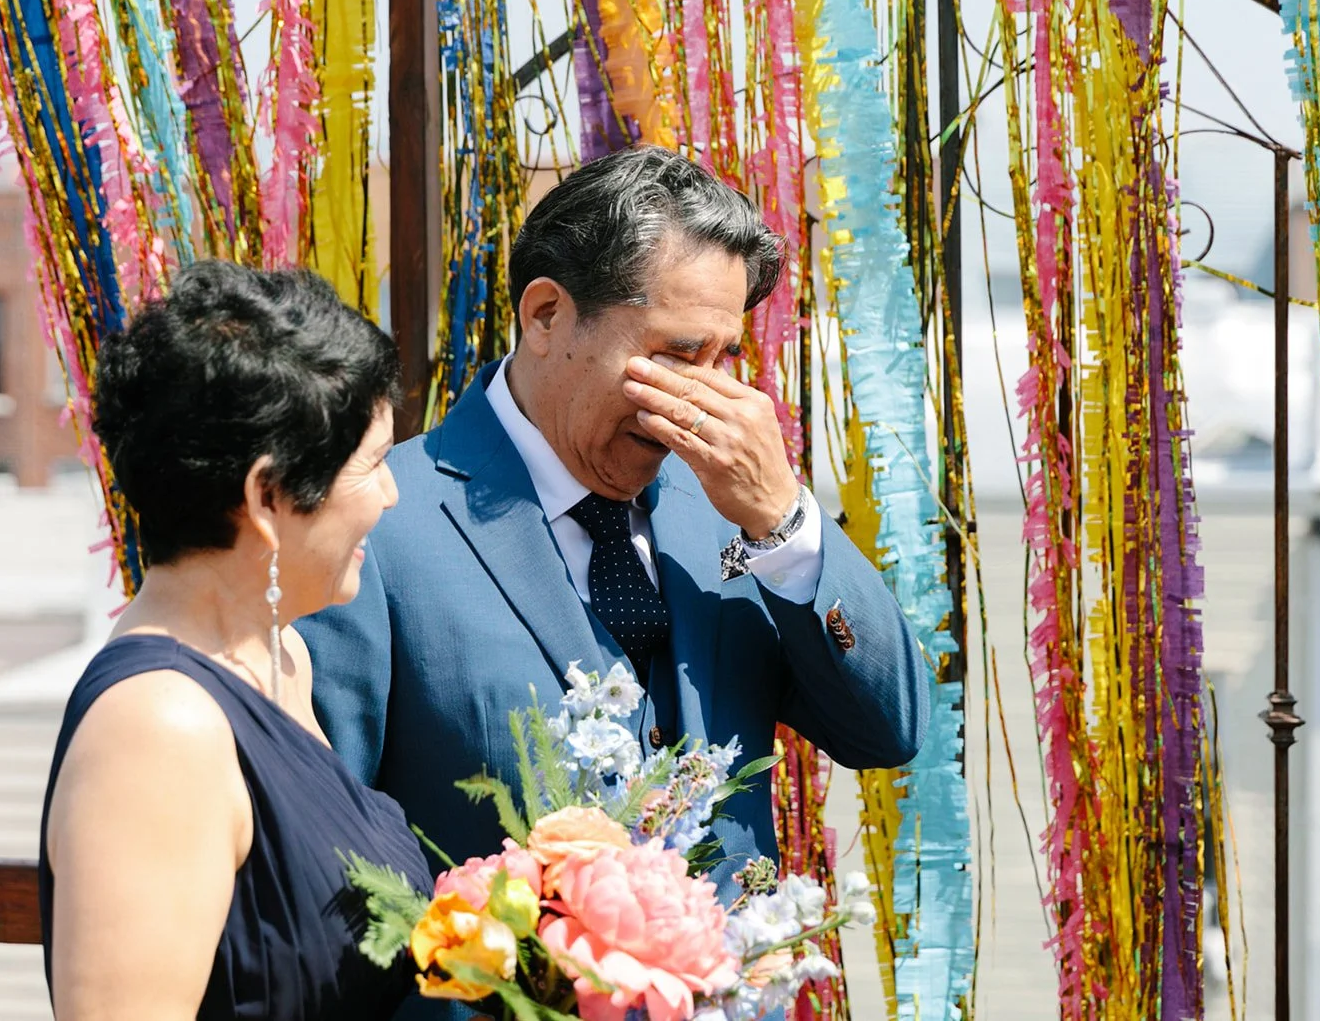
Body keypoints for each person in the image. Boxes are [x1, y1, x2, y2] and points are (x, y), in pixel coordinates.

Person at [300, 144, 929, 899]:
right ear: (546, 315)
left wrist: (784, 522)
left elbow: (886, 729)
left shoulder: (734, 509)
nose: (701, 398)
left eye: (723, 357)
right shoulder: (379, 524)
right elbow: (325, 868)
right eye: (677, 353)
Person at [39, 261, 431, 1021]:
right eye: (374, 463)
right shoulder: (157, 727)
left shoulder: (285, 654)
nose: (390, 494)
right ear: (267, 495)